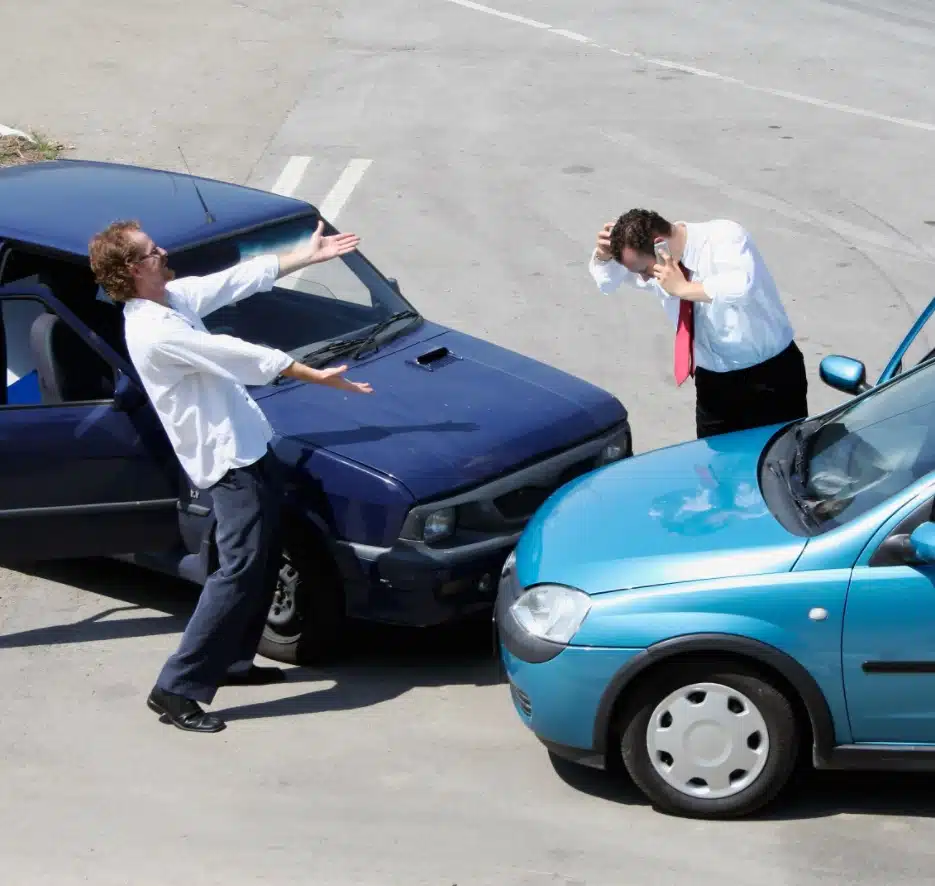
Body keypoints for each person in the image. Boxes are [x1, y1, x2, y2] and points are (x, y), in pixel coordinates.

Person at [89, 218, 373, 734]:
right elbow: (233, 354)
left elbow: (233, 280)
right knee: (239, 571)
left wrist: (305, 257)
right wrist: (310, 373)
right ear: (134, 269)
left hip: (247, 447)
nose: (165, 250)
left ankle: (234, 662)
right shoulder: (156, 331)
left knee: (255, 559)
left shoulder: (169, 300)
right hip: (229, 464)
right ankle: (175, 689)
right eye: (154, 250)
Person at [589, 208, 808, 439]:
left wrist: (684, 289)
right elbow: (607, 283)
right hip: (713, 385)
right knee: (713, 466)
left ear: (659, 245)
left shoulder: (724, 236)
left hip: (770, 378)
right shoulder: (660, 265)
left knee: (782, 464)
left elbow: (742, 286)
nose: (644, 278)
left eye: (644, 270)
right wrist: (603, 257)